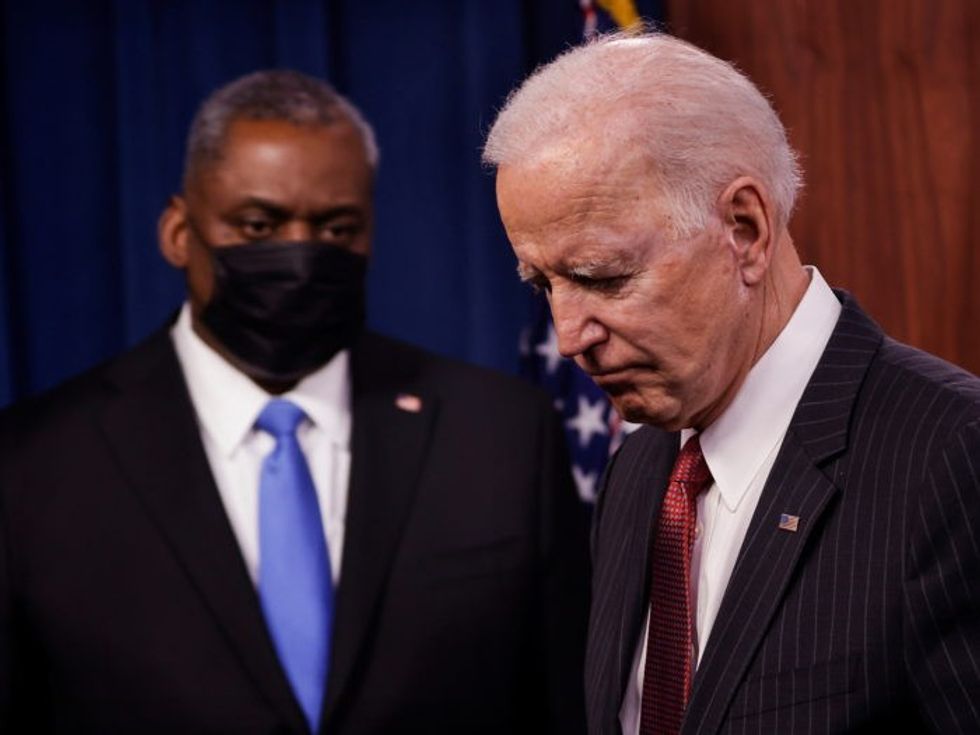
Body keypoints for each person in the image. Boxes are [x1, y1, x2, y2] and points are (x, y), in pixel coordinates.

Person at [0, 70, 590, 734]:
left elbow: (566, 702)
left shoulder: (501, 434)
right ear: (178, 231)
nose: (301, 254)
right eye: (259, 224)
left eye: (337, 229)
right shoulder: (30, 465)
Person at [484, 33, 980, 734]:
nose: (569, 337)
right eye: (544, 284)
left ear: (745, 230)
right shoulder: (639, 469)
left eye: (603, 277)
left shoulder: (954, 457)